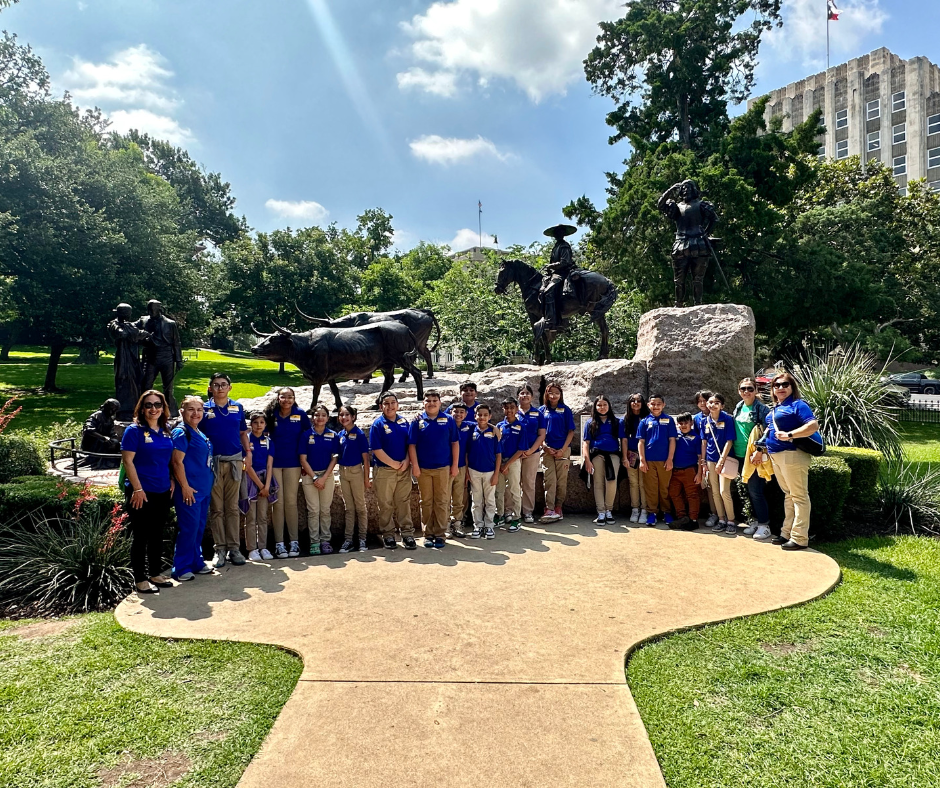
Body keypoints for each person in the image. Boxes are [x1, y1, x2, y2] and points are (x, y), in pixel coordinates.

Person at [120, 390, 175, 595]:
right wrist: (137, 488)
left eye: (158, 405)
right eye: (149, 405)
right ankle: (140, 579)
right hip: (141, 491)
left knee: (157, 534)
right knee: (141, 536)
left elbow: (166, 458)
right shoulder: (134, 431)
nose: (154, 409)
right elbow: (128, 461)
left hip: (162, 489)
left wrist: (170, 478)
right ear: (142, 408)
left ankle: (154, 573)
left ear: (163, 408)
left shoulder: (165, 430)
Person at [760, 372, 821, 551]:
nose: (780, 388)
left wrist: (790, 435)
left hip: (792, 454)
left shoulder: (798, 405)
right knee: (789, 494)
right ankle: (786, 533)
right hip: (776, 455)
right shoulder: (775, 408)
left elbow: (813, 425)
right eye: (776, 385)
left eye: (785, 384)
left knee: (799, 496)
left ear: (792, 387)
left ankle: (800, 538)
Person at [201, 373, 251, 568]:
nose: (220, 388)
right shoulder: (204, 409)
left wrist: (248, 452)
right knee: (217, 508)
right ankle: (219, 549)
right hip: (213, 462)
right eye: (216, 385)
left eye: (223, 385)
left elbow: (242, 433)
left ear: (230, 387)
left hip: (234, 461)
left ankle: (234, 548)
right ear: (210, 388)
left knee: (232, 507)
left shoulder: (237, 407)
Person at [170, 396, 214, 581]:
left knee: (198, 527)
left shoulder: (198, 431)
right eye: (191, 409)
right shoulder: (181, 433)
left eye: (199, 409)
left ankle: (196, 561)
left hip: (203, 490)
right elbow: (176, 462)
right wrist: (185, 487)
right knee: (189, 528)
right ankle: (181, 567)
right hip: (189, 491)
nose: (196, 413)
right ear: (182, 411)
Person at [408, 389, 459, 549]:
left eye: (434, 401)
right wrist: (414, 466)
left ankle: (440, 534)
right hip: (423, 469)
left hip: (443, 468)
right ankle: (428, 534)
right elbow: (412, 445)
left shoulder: (448, 419)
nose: (431, 404)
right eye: (428, 401)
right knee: (426, 501)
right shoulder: (417, 421)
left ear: (440, 403)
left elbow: (455, 443)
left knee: (442, 501)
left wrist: (455, 465)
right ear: (423, 403)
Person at [657, 180, 719, 307]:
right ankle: (679, 303)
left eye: (689, 188)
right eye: (683, 189)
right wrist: (671, 189)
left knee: (698, 279)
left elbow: (714, 219)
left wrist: (706, 233)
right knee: (679, 280)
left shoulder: (701, 204)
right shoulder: (676, 207)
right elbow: (660, 205)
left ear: (694, 190)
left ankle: (698, 303)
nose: (686, 191)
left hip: (699, 244)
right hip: (681, 244)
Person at [264, 387, 310, 559]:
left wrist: (306, 462)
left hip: (293, 464)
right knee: (278, 503)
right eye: (283, 397)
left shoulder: (300, 415)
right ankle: (279, 543)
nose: (287, 400)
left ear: (294, 399)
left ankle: (294, 541)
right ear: (278, 398)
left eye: (290, 397)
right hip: (274, 464)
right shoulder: (271, 414)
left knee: (290, 502)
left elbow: (307, 438)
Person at [369, 393, 417, 551]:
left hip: (404, 469)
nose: (390, 406)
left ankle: (407, 534)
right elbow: (376, 449)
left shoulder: (404, 422)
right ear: (381, 406)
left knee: (403, 502)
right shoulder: (377, 425)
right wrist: (393, 464)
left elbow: (410, 444)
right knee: (385, 504)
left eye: (393, 403)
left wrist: (406, 461)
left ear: (398, 404)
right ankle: (388, 535)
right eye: (386, 403)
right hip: (385, 471)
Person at [733, 377, 772, 542]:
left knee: (756, 491)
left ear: (756, 391)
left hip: (754, 456)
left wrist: (760, 449)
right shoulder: (739, 407)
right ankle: (755, 521)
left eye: (750, 389)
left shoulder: (762, 409)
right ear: (739, 391)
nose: (746, 392)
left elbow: (770, 428)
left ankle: (765, 525)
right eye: (743, 389)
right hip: (740, 455)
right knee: (748, 490)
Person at [300, 405, 339, 555]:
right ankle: (314, 542)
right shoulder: (306, 435)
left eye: (324, 415)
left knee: (325, 510)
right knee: (313, 510)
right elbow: (303, 459)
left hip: (327, 476)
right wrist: (315, 477)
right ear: (312, 418)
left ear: (328, 418)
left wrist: (323, 478)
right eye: (317, 415)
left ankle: (325, 541)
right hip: (309, 476)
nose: (320, 418)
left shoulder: (333, 435)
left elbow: (334, 458)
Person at [137, 299, 184, 413]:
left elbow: (176, 342)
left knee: (168, 388)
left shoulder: (170, 323)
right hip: (150, 357)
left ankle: (171, 411)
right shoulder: (143, 320)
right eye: (149, 310)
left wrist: (178, 360)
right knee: (146, 385)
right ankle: (143, 410)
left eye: (153, 310)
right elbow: (131, 327)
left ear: (159, 309)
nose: (151, 312)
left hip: (167, 357)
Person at [637, 394, 676, 526]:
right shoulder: (644, 421)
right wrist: (642, 460)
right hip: (649, 461)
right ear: (648, 405)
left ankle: (666, 512)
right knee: (651, 488)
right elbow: (641, 442)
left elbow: (672, 440)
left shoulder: (669, 420)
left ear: (663, 405)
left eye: (659, 404)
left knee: (665, 487)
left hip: (665, 460)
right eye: (653, 404)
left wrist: (670, 459)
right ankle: (652, 512)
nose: (656, 406)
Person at [582, 395, 621, 525]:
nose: (602, 407)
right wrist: (587, 460)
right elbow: (586, 443)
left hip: (613, 455)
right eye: (599, 405)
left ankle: (609, 510)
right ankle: (601, 512)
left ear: (609, 406)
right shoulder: (590, 423)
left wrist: (625, 457)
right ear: (595, 407)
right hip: (597, 455)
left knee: (611, 482)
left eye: (604, 404)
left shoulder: (616, 422)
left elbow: (624, 440)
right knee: (598, 483)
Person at [539, 382, 575, 522]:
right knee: (549, 480)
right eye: (550, 392)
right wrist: (544, 446)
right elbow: (538, 433)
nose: (553, 395)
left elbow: (571, 432)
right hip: (547, 450)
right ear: (546, 394)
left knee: (561, 481)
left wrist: (563, 449)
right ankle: (549, 508)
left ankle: (559, 507)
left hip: (562, 450)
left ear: (561, 395)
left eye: (556, 393)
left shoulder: (565, 410)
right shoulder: (541, 410)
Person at [336, 404, 371, 553]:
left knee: (360, 507)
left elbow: (366, 458)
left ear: (353, 417)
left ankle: (362, 539)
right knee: (348, 508)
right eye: (341, 415)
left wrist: (366, 478)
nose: (344, 418)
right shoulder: (339, 435)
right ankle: (348, 539)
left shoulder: (360, 434)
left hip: (356, 471)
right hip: (343, 472)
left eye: (347, 415)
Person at [242, 411, 276, 561]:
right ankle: (252, 549)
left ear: (265, 424)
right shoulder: (245, 441)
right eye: (255, 422)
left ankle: (263, 547)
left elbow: (270, 465)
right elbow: (247, 466)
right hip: (251, 480)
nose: (258, 425)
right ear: (251, 424)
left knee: (262, 517)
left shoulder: (269, 441)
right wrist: (260, 484)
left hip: (265, 482)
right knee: (251, 517)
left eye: (261, 422)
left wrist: (267, 486)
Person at [702, 392, 737, 534]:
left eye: (716, 402)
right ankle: (721, 519)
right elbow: (704, 442)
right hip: (710, 459)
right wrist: (703, 461)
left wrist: (721, 461)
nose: (712, 405)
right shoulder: (705, 421)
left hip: (726, 459)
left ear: (722, 405)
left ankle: (731, 520)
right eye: (710, 402)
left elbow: (730, 441)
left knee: (724, 491)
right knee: (715, 491)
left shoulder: (728, 419)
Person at [107, 303, 149, 419]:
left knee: (136, 381)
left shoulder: (127, 325)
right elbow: (122, 334)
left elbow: (137, 333)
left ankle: (135, 408)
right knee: (124, 381)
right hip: (123, 358)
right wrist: (137, 333)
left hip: (133, 358)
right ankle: (125, 410)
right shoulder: (113, 324)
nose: (130, 316)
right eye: (129, 314)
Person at [466, 404, 501, 540]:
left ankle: (489, 526)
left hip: (490, 471)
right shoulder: (470, 430)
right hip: (474, 470)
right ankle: (478, 525)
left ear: (490, 416)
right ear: (475, 416)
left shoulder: (493, 433)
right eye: (479, 415)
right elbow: (467, 453)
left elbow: (498, 455)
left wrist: (496, 474)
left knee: (490, 500)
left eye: (485, 415)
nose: (482, 417)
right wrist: (468, 471)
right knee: (477, 500)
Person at [667, 413, 702, 531]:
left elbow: (700, 457)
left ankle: (693, 519)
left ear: (691, 423)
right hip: (675, 471)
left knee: (692, 495)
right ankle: (682, 517)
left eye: (686, 423)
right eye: (680, 423)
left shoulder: (696, 438)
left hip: (690, 470)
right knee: (673, 492)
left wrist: (699, 473)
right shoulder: (675, 436)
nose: (683, 426)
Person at [539, 224, 577, 332]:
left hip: (564, 272)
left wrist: (551, 266)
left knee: (549, 291)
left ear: (563, 234)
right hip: (555, 273)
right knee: (541, 289)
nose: (557, 235)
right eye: (556, 233)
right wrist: (549, 269)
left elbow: (565, 262)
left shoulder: (564, 246)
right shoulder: (556, 247)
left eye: (559, 232)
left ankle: (552, 321)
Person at [517, 384, 546, 525]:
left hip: (532, 453)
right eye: (522, 393)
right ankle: (512, 511)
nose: (525, 395)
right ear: (518, 396)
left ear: (532, 397)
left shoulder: (538, 414)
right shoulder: (513, 412)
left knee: (529, 483)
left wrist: (530, 450)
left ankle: (527, 511)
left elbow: (541, 435)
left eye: (527, 393)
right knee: (513, 483)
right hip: (514, 454)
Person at [495, 399, 525, 531]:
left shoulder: (521, 426)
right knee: (499, 490)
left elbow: (521, 449)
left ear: (517, 409)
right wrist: (501, 464)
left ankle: (516, 517)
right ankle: (500, 515)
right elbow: (496, 445)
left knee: (514, 490)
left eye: (512, 407)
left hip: (513, 462)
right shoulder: (500, 426)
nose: (509, 410)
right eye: (506, 408)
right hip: (500, 462)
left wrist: (507, 465)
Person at [621, 394, 649, 523]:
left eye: (639, 401)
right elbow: (624, 440)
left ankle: (644, 509)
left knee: (644, 483)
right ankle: (635, 509)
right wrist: (624, 457)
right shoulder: (625, 419)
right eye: (633, 401)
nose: (636, 403)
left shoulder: (648, 418)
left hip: (645, 455)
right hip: (631, 454)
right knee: (633, 483)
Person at [448, 402, 474, 538]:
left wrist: (494, 427)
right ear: (450, 412)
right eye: (456, 411)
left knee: (459, 496)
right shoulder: (446, 424)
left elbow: (483, 424)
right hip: (446, 465)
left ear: (465, 414)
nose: (458, 414)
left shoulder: (468, 426)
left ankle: (457, 523)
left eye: (461, 412)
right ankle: (445, 524)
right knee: (445, 496)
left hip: (462, 465)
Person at [80, 398, 121, 469]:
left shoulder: (109, 419)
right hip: (92, 442)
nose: (113, 412)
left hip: (104, 441)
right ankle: (102, 460)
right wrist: (103, 437)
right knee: (106, 443)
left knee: (116, 443)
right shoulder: (96, 416)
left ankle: (112, 460)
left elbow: (111, 432)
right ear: (106, 408)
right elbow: (88, 430)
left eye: (115, 410)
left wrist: (113, 436)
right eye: (112, 409)